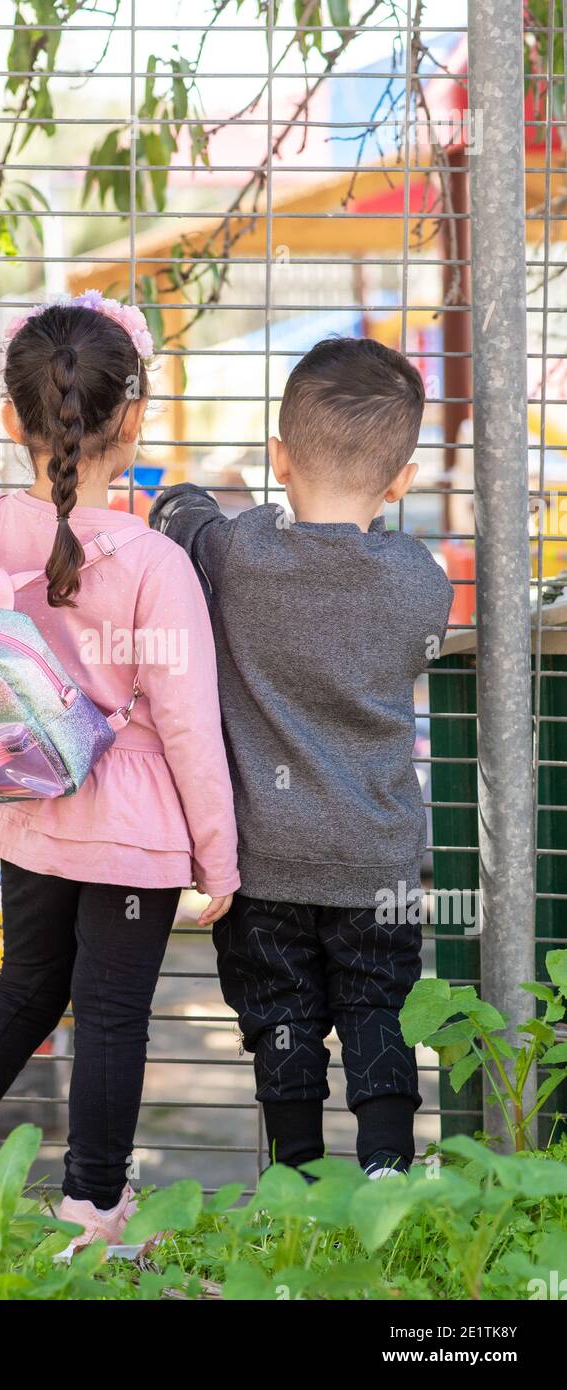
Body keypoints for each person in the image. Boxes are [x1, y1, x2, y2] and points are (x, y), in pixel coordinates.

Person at [0, 293, 239, 1256]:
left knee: (25, 987)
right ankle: (91, 1211)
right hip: (131, 833)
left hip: (25, 805)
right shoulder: (157, 563)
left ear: (12, 419)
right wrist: (219, 859)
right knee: (112, 1017)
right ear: (133, 421)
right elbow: (190, 727)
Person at [150, 336, 454, 1180]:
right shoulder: (419, 580)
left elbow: (181, 516)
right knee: (375, 1008)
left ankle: (296, 1179)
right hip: (376, 856)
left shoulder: (238, 552)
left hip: (266, 858)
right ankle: (388, 1170)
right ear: (400, 480)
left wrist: (182, 495)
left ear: (277, 458)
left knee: (280, 1013)